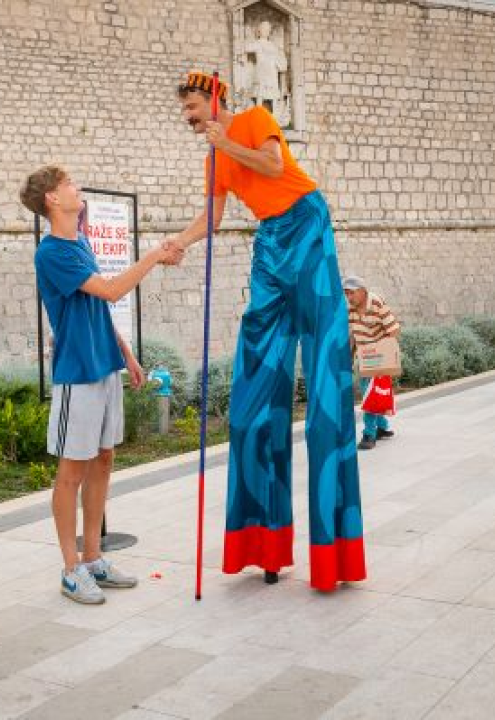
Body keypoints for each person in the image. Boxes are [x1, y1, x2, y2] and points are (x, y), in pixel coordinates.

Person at [164, 71, 365, 592]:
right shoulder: (216, 157)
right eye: (185, 112)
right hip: (270, 242)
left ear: (212, 99)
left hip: (306, 224)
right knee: (254, 400)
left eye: (190, 107)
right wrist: (182, 243)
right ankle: (264, 543)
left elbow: (275, 164)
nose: (187, 118)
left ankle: (334, 556)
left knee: (323, 394)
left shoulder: (254, 121)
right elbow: (211, 216)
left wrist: (227, 141)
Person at [20, 165, 176, 604]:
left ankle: (93, 558)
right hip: (77, 373)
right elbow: (109, 290)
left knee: (104, 459)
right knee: (71, 471)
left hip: (105, 364)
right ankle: (71, 570)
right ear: (52, 198)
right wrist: (153, 256)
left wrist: (126, 354)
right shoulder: (51, 252)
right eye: (69, 184)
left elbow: (99, 308)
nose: (78, 188)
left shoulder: (80, 242)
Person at [343, 275, 401, 450]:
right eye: (346, 294)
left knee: (369, 395)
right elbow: (354, 334)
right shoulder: (351, 309)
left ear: (362, 291)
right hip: (364, 357)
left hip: (379, 358)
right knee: (371, 393)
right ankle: (382, 427)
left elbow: (394, 330)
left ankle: (369, 434)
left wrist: (383, 354)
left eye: (351, 293)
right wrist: (349, 356)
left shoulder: (376, 303)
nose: (349, 298)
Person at [245, 20, 287, 112]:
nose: (266, 31)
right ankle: (258, 116)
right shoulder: (258, 43)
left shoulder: (272, 45)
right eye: (264, 29)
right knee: (260, 95)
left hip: (272, 72)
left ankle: (275, 118)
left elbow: (278, 60)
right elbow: (247, 48)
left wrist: (280, 57)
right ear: (259, 31)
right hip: (261, 72)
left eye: (268, 30)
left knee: (273, 96)